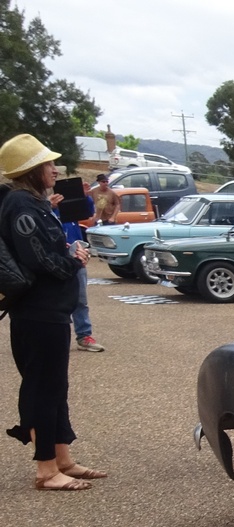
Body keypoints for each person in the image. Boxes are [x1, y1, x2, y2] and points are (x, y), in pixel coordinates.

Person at [0, 134, 107, 491]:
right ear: (31, 170)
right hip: (38, 312)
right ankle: (46, 469)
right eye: (47, 164)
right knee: (43, 389)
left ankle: (63, 459)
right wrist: (74, 260)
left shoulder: (33, 203)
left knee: (55, 388)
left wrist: (66, 248)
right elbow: (40, 260)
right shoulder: (21, 206)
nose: (55, 169)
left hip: (50, 311)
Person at [53, 189, 104, 353]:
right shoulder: (48, 212)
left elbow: (88, 212)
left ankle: (84, 335)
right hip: (57, 260)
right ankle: (53, 338)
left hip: (77, 258)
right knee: (54, 300)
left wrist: (85, 196)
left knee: (80, 300)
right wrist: (50, 206)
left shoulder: (71, 212)